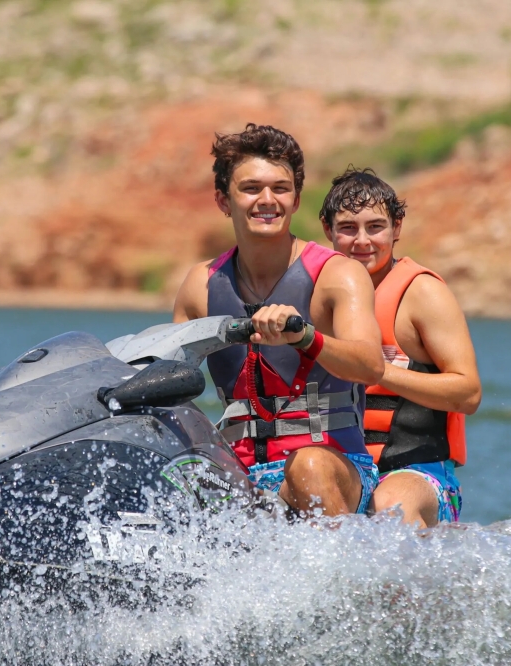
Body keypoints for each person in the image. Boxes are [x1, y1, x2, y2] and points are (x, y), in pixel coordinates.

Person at [173, 124, 384, 517]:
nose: (267, 200)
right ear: (224, 200)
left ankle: (342, 577)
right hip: (241, 475)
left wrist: (304, 337)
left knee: (308, 464)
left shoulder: (337, 275)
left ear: (297, 199)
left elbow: (370, 365)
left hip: (334, 467)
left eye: (280, 188)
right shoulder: (198, 286)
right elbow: (169, 387)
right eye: (251, 188)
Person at [320, 167, 481, 528]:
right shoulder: (315, 295)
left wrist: (376, 371)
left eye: (375, 227)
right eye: (348, 228)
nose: (362, 240)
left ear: (397, 227)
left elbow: (468, 393)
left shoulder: (422, 294)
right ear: (328, 230)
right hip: (345, 474)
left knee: (390, 508)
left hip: (419, 476)